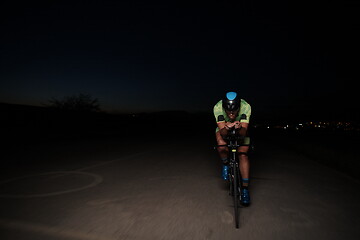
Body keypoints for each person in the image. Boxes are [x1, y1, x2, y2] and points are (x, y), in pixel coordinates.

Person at [213, 91, 252, 206]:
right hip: (224, 128)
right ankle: (225, 164)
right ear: (224, 108)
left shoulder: (246, 107)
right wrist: (226, 127)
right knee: (221, 145)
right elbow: (223, 133)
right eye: (228, 111)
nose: (231, 114)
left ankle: (245, 189)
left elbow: (243, 133)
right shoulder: (217, 107)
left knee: (243, 154)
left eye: (234, 111)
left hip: (241, 129)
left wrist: (239, 127)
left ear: (239, 107)